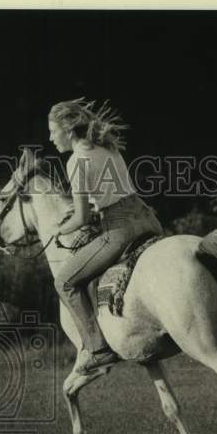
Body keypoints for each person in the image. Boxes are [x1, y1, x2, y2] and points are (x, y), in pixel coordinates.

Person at [48, 98, 163, 374]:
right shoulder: (108, 149)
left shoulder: (76, 161)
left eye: (53, 131)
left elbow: (81, 218)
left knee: (64, 281)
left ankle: (98, 350)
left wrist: (59, 229)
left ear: (67, 129)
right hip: (148, 220)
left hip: (119, 229)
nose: (50, 138)